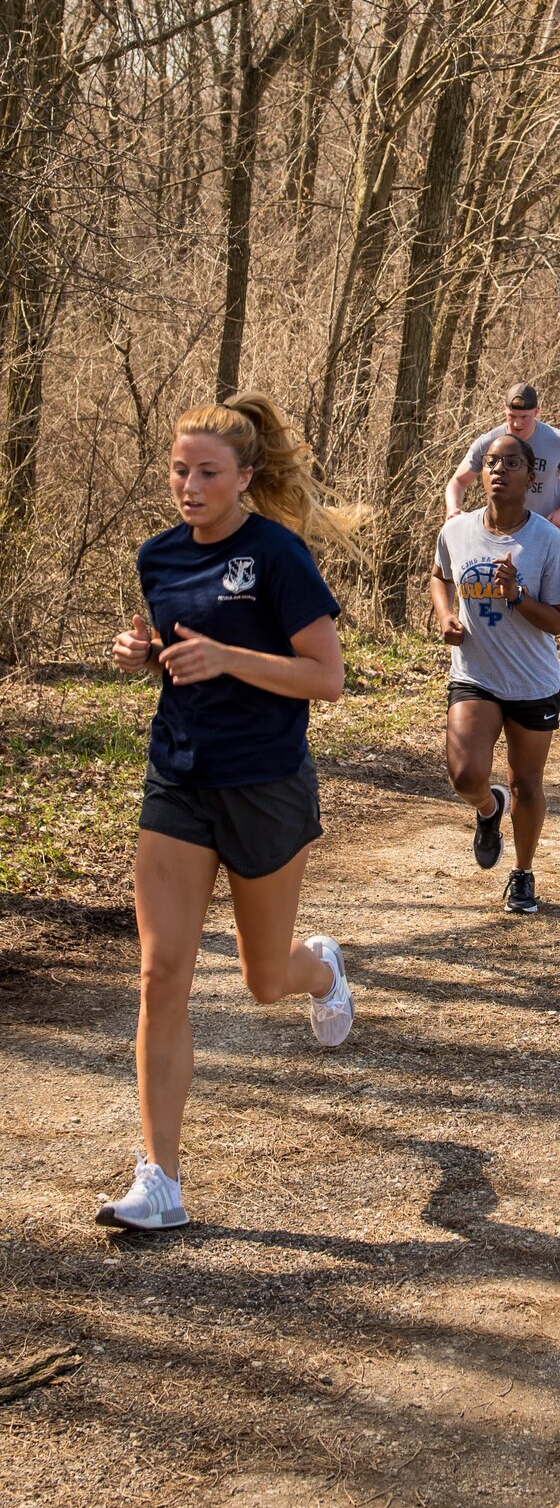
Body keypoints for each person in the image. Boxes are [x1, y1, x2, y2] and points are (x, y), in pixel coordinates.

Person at [101, 393, 363, 1232]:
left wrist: (228, 656)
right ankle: (160, 1180)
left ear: (245, 477)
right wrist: (145, 654)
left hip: (264, 783)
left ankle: (319, 968)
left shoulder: (278, 556)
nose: (188, 486)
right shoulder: (159, 557)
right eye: (179, 470)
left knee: (261, 981)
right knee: (160, 973)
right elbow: (184, 661)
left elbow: (325, 678)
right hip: (177, 779)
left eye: (207, 472)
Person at [431, 436, 560, 913]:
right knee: (464, 773)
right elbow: (439, 574)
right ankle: (488, 809)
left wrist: (516, 597)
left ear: (531, 477)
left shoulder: (549, 542)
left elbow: (557, 621)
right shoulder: (458, 531)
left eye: (511, 463)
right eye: (491, 462)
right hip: (475, 672)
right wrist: (444, 614)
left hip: (532, 681)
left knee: (527, 785)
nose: (498, 470)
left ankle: (524, 872)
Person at [445, 382, 560, 534]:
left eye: (524, 417)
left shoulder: (557, 440)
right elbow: (458, 481)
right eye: (511, 416)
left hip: (545, 532)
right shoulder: (490, 442)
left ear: (536, 412)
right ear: (504, 410)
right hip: (500, 533)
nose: (517, 423)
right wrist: (453, 509)